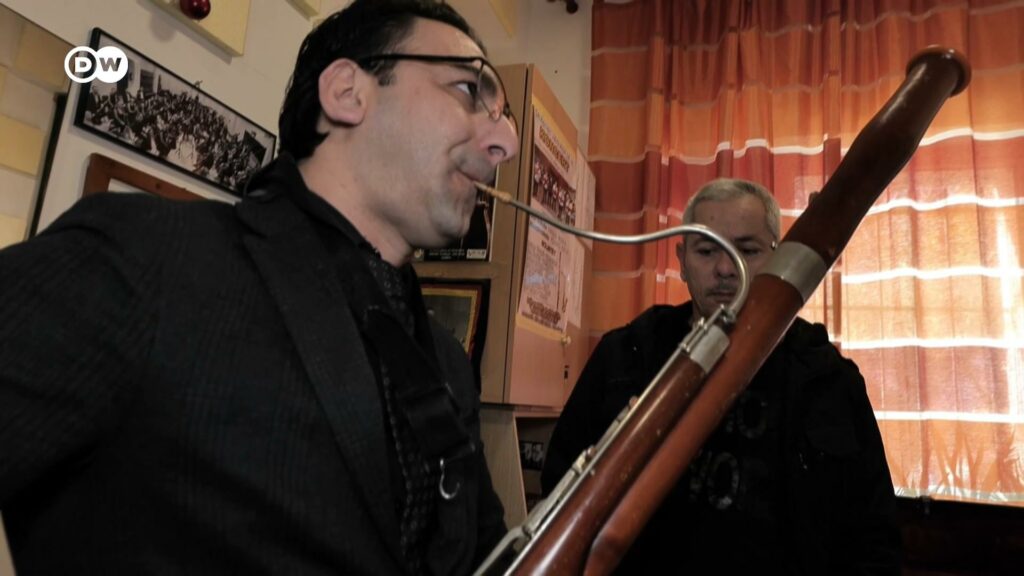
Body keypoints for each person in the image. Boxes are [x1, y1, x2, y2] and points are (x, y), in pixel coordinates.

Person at [0, 1, 518, 574]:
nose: (505, 144)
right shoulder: (143, 257)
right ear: (348, 91)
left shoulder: (445, 360)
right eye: (470, 91)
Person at [541, 179, 901, 574]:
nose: (726, 269)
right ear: (681, 259)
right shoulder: (624, 356)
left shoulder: (828, 378)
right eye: (707, 250)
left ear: (777, 257)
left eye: (747, 250)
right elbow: (559, 493)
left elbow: (872, 536)